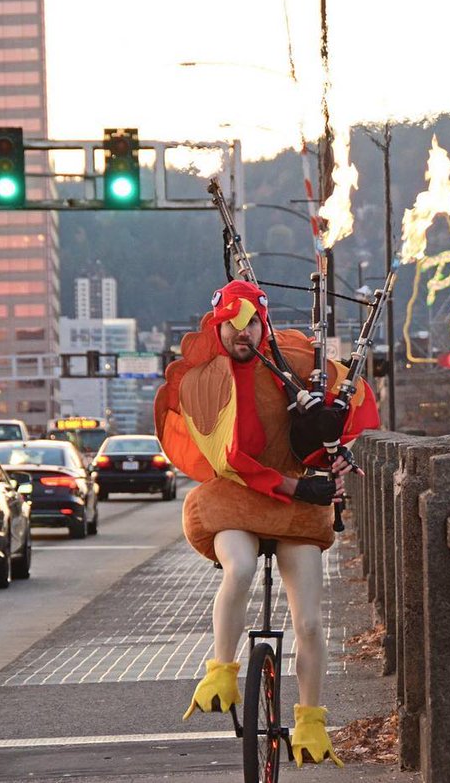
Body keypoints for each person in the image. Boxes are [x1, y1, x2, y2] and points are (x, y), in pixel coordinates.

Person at [154, 279, 379, 768]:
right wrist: (296, 487)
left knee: (310, 622)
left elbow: (315, 441)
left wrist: (332, 449)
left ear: (264, 325)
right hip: (235, 500)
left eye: (252, 323)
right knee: (238, 568)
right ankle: (221, 669)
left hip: (295, 509)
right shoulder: (203, 380)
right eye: (233, 324)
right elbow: (231, 459)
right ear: (217, 328)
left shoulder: (291, 368)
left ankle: (312, 721)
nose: (243, 332)